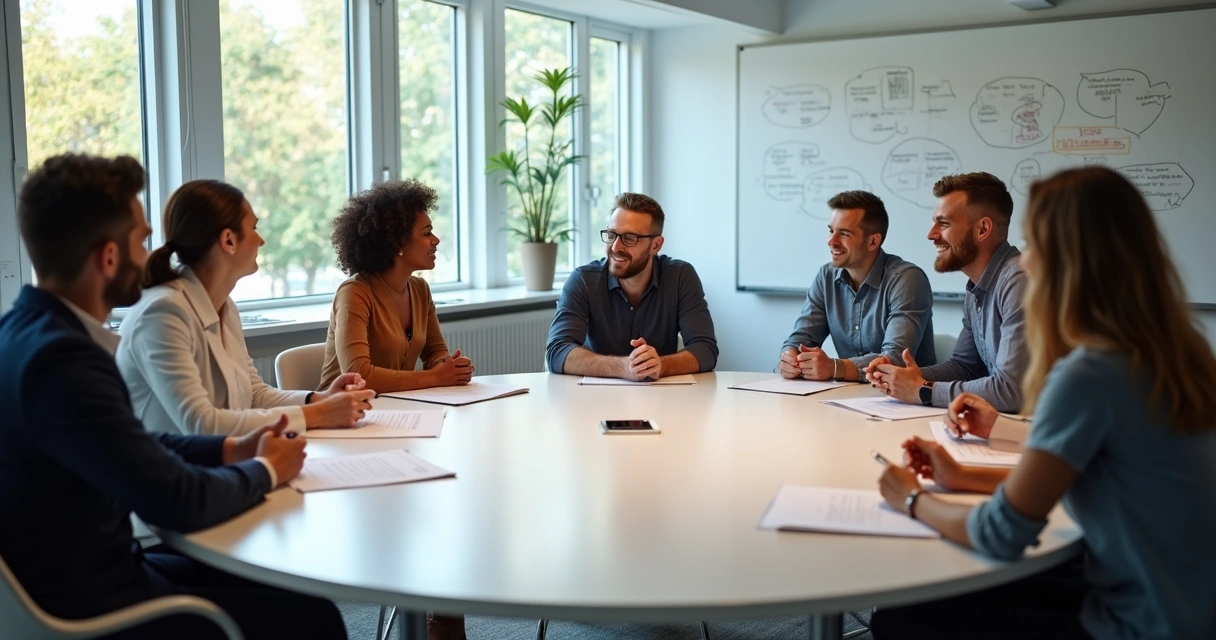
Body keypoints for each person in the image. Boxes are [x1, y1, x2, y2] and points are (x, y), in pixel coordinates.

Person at [0, 153, 347, 639]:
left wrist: (230, 450)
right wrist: (267, 469)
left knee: (295, 595)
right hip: (94, 605)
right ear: (108, 256)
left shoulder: (24, 332)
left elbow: (134, 443)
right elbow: (175, 500)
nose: (151, 254)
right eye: (141, 240)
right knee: (312, 619)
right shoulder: (64, 363)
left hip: (93, 568)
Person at [872, 167, 1216, 640]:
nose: (1026, 261)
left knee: (899, 617)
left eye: (1036, 243)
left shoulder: (1090, 373)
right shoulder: (1180, 351)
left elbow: (1001, 534)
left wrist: (911, 499)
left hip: (1134, 623)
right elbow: (1090, 473)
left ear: (1070, 260)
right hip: (1182, 604)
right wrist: (963, 475)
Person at [117, 179, 375, 436]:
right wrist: (319, 414)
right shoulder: (163, 313)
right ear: (228, 240)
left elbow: (255, 394)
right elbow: (201, 424)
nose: (260, 240)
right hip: (172, 472)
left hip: (217, 463)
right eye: (253, 227)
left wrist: (320, 400)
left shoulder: (224, 306)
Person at [866, 172, 1027, 412]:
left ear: (982, 229)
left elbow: (1010, 391)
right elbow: (965, 367)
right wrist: (903, 377)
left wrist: (922, 390)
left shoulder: (1018, 281)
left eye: (944, 223)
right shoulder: (977, 287)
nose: (931, 234)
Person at [321, 178, 473, 394]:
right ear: (398, 243)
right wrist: (434, 377)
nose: (436, 240)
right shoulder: (354, 293)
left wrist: (450, 367)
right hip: (344, 415)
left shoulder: (420, 290)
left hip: (398, 409)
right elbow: (358, 375)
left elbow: (435, 352)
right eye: (427, 233)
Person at [546, 192, 718, 380]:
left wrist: (661, 365)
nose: (615, 247)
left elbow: (705, 349)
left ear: (656, 245)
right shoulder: (583, 281)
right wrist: (623, 367)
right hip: (594, 401)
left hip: (662, 401)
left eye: (629, 238)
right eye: (611, 235)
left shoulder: (680, 277)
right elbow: (557, 351)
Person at [778, 190, 934, 382]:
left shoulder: (907, 279)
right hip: (847, 397)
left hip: (907, 401)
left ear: (873, 241)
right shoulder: (826, 276)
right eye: (831, 231)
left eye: (844, 234)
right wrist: (790, 357)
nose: (831, 241)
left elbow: (894, 359)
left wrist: (835, 367)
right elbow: (801, 337)